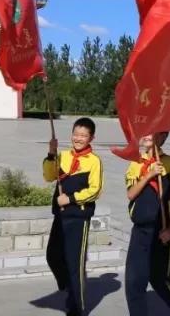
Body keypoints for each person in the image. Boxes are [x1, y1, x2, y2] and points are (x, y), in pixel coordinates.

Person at [124, 132, 170, 316]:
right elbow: (130, 194)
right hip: (140, 232)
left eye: (151, 133)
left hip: (162, 233)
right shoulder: (136, 163)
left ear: (161, 137)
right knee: (133, 282)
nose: (145, 135)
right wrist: (149, 174)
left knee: (159, 279)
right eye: (143, 132)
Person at [43, 117, 103, 316]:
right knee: (52, 255)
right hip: (59, 217)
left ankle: (78, 308)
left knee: (75, 264)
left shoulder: (94, 161)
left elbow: (95, 190)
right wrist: (51, 154)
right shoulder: (63, 155)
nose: (78, 138)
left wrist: (70, 199)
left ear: (91, 137)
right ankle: (68, 286)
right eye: (76, 134)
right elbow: (49, 176)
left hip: (78, 218)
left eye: (83, 135)